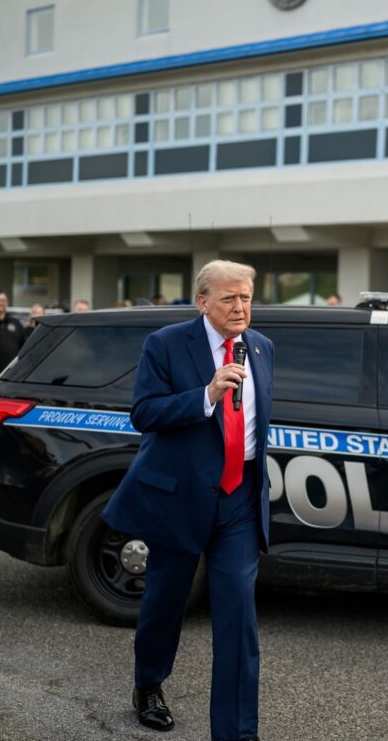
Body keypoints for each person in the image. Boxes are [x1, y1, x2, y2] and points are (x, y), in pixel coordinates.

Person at [103, 260, 273, 741]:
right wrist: (205, 395)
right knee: (165, 603)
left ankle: (237, 733)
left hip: (238, 498)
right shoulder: (166, 344)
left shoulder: (262, 348)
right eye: (229, 299)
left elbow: (258, 428)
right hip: (180, 499)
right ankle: (149, 683)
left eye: (245, 297)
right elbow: (143, 412)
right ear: (203, 302)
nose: (240, 307)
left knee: (238, 615)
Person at [0, 290, 26, 379]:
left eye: (3, 300)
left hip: (12, 374)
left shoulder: (15, 323)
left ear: (7, 303)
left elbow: (24, 346)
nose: (0, 303)